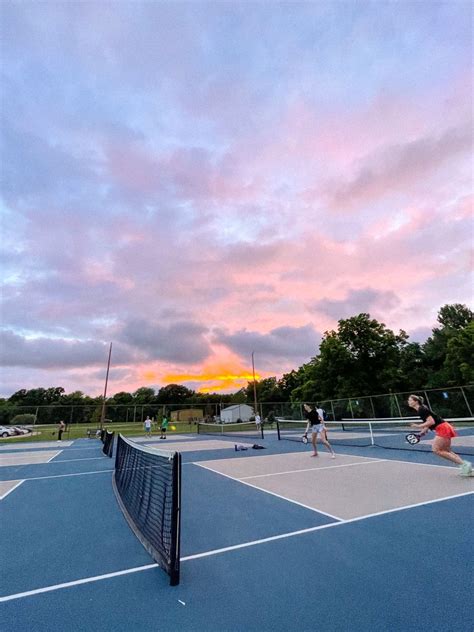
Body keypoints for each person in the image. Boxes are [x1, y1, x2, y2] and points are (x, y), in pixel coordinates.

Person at [408, 394, 472, 476]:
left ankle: (465, 465)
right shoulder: (422, 408)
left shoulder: (421, 409)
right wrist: (422, 432)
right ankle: (467, 469)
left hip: (443, 428)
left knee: (436, 450)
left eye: (410, 400)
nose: (408, 402)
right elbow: (429, 422)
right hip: (444, 426)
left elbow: (431, 422)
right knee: (446, 451)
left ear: (416, 401)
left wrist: (417, 426)